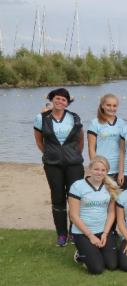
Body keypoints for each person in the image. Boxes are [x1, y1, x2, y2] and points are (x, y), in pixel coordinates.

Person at [34, 88, 84, 247]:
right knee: (58, 199)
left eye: (64, 99)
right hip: (53, 165)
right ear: (52, 99)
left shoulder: (75, 118)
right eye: (57, 98)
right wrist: (51, 154)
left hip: (74, 164)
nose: (60, 101)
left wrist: (72, 155)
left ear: (67, 102)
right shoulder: (42, 118)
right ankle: (61, 234)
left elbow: (80, 141)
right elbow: (39, 142)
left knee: (75, 198)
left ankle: (74, 232)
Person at [69, 156, 120, 274]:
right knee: (97, 269)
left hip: (102, 230)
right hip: (83, 233)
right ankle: (81, 254)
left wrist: (105, 233)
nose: (99, 173)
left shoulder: (111, 186)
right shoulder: (77, 186)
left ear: (107, 171)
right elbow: (73, 216)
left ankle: (94, 251)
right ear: (90, 168)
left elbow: (111, 212)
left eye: (103, 170)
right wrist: (91, 236)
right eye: (96, 169)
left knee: (113, 265)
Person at [88, 93, 124, 182]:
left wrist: (122, 170)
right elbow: (91, 148)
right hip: (102, 168)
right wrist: (95, 167)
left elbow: (124, 148)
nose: (111, 108)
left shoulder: (122, 123)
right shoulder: (95, 123)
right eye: (108, 105)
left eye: (114, 106)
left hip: (118, 168)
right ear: (102, 105)